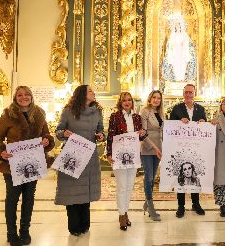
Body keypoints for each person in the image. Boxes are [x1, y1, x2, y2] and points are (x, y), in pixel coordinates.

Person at [0, 86, 55, 246]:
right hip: (13, 164)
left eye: (26, 94)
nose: (23, 97)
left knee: (29, 198)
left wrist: (46, 140)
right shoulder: (7, 115)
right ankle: (11, 233)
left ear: (31, 96)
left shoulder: (39, 113)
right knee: (12, 198)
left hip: (33, 163)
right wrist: (1, 151)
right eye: (20, 95)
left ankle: (25, 231)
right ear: (15, 98)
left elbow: (46, 135)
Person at [55, 85, 105, 236]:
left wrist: (101, 135)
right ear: (82, 94)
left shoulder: (97, 112)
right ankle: (74, 226)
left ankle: (85, 224)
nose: (93, 92)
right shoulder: (68, 111)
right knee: (72, 190)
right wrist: (64, 132)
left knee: (86, 189)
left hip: (90, 155)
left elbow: (101, 130)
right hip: (72, 155)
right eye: (90, 90)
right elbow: (58, 131)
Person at [105, 92, 147, 231]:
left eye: (129, 100)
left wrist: (143, 133)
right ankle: (121, 215)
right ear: (120, 102)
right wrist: (109, 153)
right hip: (118, 156)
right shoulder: (115, 116)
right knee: (122, 186)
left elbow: (141, 137)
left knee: (129, 187)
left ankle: (126, 211)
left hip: (133, 156)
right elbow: (111, 135)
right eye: (124, 100)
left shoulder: (137, 117)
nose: (127, 102)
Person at [169, 84, 207, 218]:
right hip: (180, 148)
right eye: (186, 92)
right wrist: (179, 121)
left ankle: (196, 203)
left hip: (196, 149)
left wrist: (203, 122)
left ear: (195, 93)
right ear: (183, 93)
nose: (189, 95)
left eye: (191, 92)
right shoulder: (176, 109)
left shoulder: (201, 109)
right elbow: (170, 127)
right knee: (181, 177)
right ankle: (181, 206)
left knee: (194, 176)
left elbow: (205, 128)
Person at [140, 90, 164, 221]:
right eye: (154, 97)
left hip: (158, 149)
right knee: (148, 178)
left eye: (158, 98)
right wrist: (154, 147)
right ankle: (151, 207)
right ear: (150, 99)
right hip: (148, 148)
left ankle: (146, 204)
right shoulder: (145, 111)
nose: (156, 100)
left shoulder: (161, 113)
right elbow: (142, 132)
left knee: (152, 177)